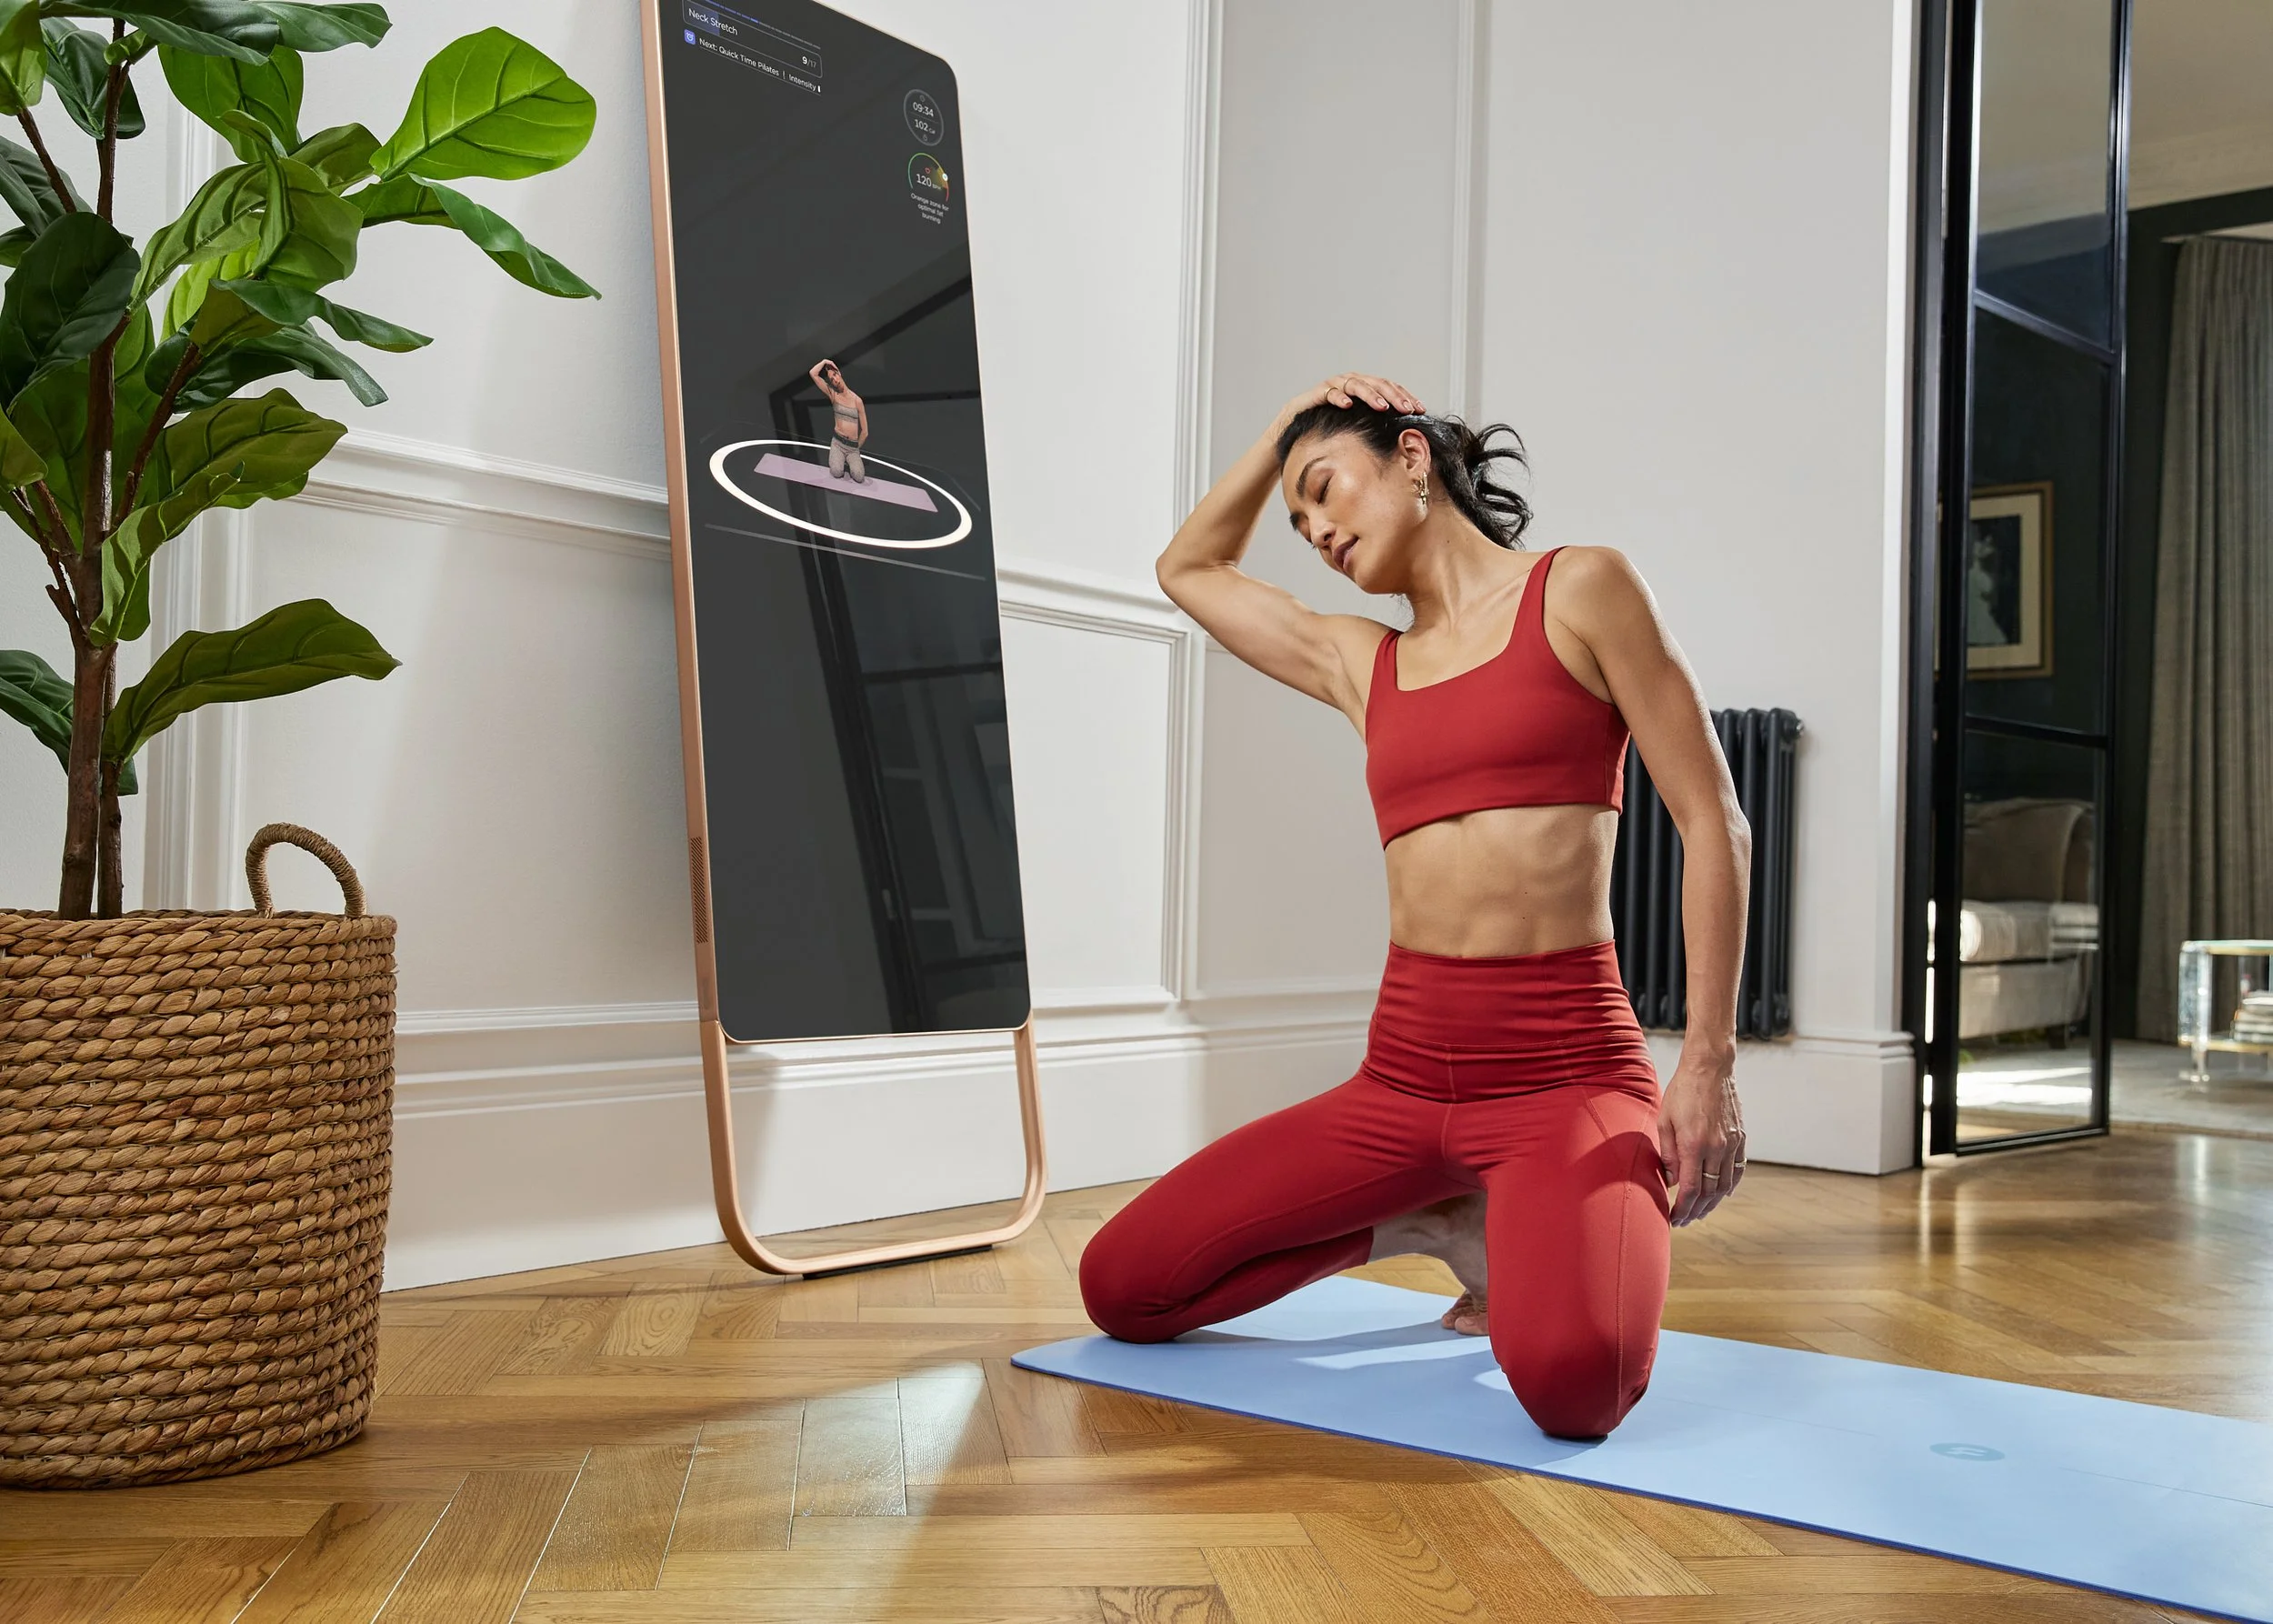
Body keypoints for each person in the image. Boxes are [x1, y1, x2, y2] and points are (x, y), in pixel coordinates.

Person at [1077, 373, 1751, 1440]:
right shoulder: (1362, 662)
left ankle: (1511, 1221)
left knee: (1577, 1386)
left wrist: (1705, 1062)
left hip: (1564, 1073)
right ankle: (1426, 1221)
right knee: (1124, 1287)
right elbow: (1187, 570)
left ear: (1410, 457)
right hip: (1399, 1078)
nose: (1312, 529)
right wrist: (1282, 432)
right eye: (1297, 519)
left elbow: (1713, 820)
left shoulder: (1579, 589)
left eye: (1324, 489)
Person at [809, 358, 868, 481]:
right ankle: (839, 458)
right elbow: (813, 373)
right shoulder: (832, 394)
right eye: (831, 380)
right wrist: (825, 361)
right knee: (836, 471)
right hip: (838, 443)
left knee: (859, 476)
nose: (835, 380)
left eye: (835, 375)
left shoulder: (857, 401)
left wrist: (856, 448)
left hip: (852, 448)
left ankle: (849, 460)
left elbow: (865, 432)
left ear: (839, 373)